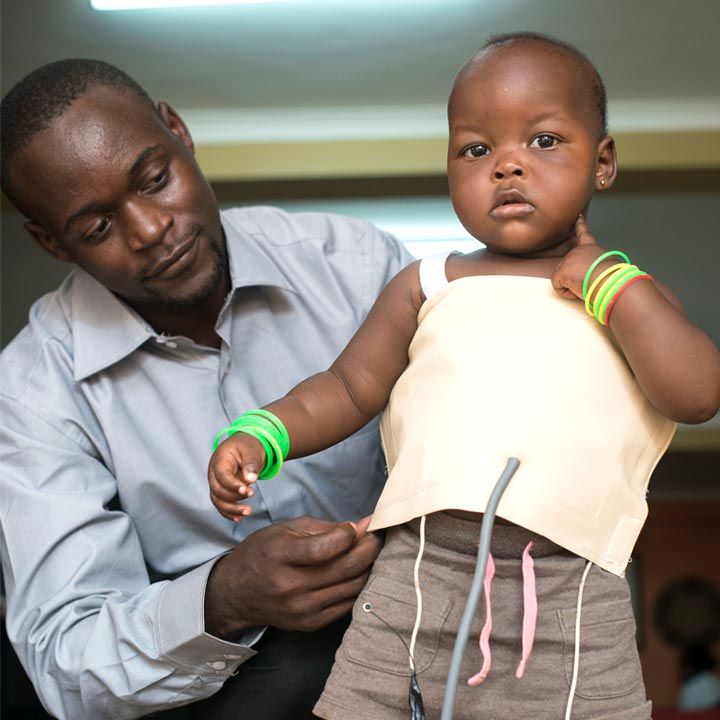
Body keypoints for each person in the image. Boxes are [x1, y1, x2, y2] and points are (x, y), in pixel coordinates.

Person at [208, 32, 720, 719]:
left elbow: (696, 393)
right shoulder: (426, 285)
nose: (507, 166)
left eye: (542, 141)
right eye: (477, 149)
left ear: (602, 163)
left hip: (573, 587)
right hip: (417, 570)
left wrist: (611, 284)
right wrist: (263, 433)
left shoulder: (627, 297)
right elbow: (347, 387)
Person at [0, 59, 413, 720]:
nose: (149, 231)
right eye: (98, 228)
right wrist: (223, 598)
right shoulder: (33, 392)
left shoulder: (359, 269)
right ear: (51, 243)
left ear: (179, 132)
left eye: (155, 180)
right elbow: (63, 654)